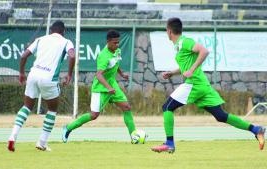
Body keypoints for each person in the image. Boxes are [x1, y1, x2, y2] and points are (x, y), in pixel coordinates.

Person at [151, 17, 265, 153]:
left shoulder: (184, 42)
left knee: (167, 107)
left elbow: (204, 51)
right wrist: (172, 73)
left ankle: (169, 143)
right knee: (221, 116)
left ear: (169, 31)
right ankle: (256, 129)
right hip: (202, 85)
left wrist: (192, 70)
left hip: (194, 84)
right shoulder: (180, 45)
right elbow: (185, 67)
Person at [7, 20, 75, 152]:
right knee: (52, 109)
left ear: (50, 31)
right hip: (49, 78)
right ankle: (42, 142)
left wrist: (21, 73)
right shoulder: (66, 42)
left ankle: (12, 136)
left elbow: (24, 56)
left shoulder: (40, 39)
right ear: (63, 31)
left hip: (33, 75)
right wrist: (69, 75)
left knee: (27, 106)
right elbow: (72, 56)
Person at [62, 30, 137, 143]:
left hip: (112, 85)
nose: (117, 45)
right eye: (115, 43)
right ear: (108, 42)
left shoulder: (117, 50)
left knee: (126, 107)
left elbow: (116, 63)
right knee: (94, 115)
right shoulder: (103, 55)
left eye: (118, 42)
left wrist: (121, 74)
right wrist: (108, 88)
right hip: (100, 88)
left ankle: (134, 136)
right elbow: (99, 75)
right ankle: (68, 128)